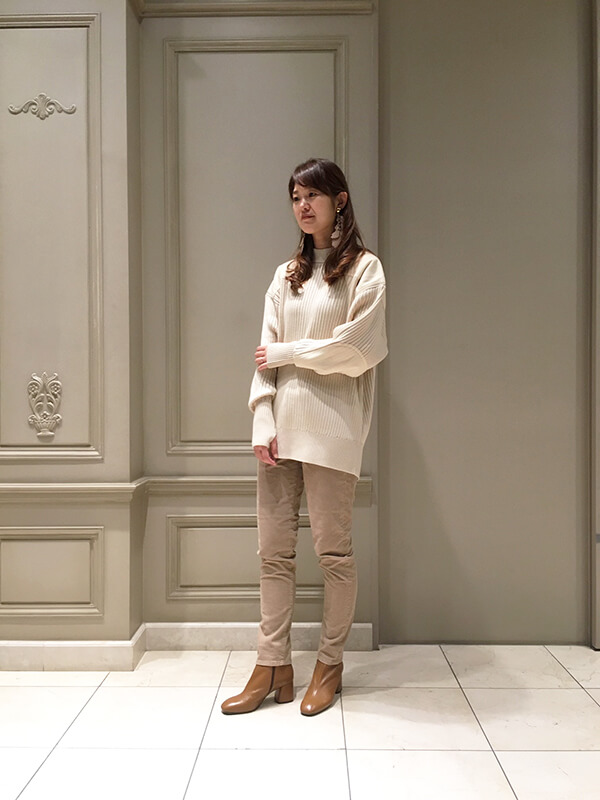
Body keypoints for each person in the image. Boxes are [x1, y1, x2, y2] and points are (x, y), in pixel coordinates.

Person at [221, 157, 387, 717]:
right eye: (295, 197)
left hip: (333, 429)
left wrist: (290, 352)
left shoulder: (365, 270)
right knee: (273, 553)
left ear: (339, 200)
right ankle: (272, 665)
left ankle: (329, 664)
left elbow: (356, 349)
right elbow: (262, 356)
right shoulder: (285, 275)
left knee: (333, 553)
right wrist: (262, 418)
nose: (302, 206)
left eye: (312, 195)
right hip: (280, 429)